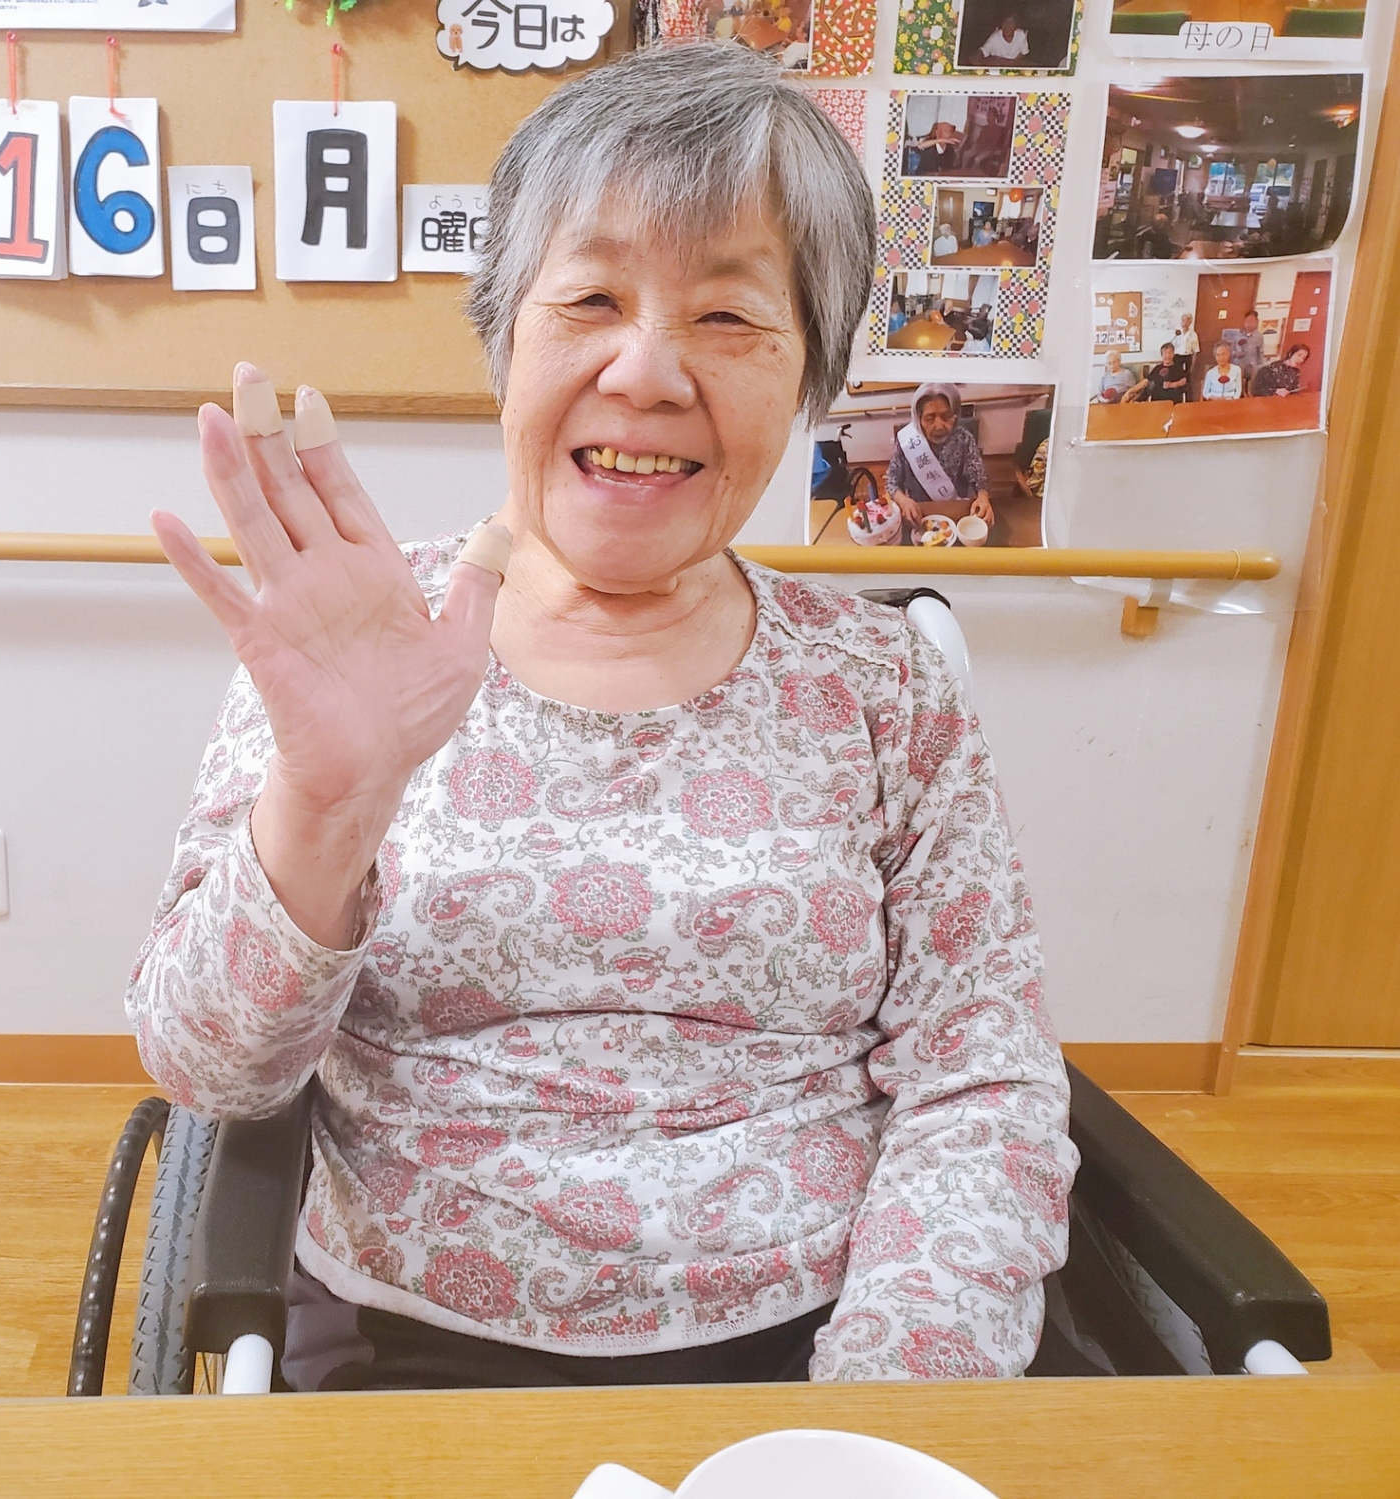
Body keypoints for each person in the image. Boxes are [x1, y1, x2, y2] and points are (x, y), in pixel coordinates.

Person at [132, 44, 1074, 1391]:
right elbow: (208, 1067)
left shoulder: (885, 686)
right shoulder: (352, 640)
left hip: (814, 1344)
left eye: (728, 315)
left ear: (809, 374)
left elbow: (978, 1079)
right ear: (504, 336)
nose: (645, 371)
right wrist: (326, 804)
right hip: (408, 1350)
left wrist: (872, 1412)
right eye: (588, 297)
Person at [884, 383, 993, 535]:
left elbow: (979, 476)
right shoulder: (908, 442)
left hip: (956, 514)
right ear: (918, 419)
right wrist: (903, 500)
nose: (939, 426)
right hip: (919, 515)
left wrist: (983, 497)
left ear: (955, 415)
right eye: (930, 418)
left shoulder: (964, 438)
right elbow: (891, 482)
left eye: (946, 416)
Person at [1122, 343, 1188, 403]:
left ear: (1173, 354)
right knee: (1145, 389)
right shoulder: (1157, 368)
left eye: (1170, 353)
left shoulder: (1177, 367)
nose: (1167, 355)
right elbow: (1145, 381)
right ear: (1162, 355)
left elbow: (1184, 381)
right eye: (1165, 353)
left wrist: (1172, 384)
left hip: (1171, 400)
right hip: (1156, 401)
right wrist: (1130, 391)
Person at [1223, 310, 1264, 388]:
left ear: (1256, 322)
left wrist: (1259, 368)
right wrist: (1235, 354)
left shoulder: (1259, 337)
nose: (1249, 324)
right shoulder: (1238, 335)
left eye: (1252, 321)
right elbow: (1231, 350)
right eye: (1247, 321)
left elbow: (1260, 353)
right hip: (1237, 366)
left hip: (1251, 368)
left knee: (1248, 387)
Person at [1171, 312, 1200, 379]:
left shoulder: (1193, 334)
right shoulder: (1176, 332)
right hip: (1177, 357)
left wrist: (1193, 364)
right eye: (1183, 320)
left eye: (1187, 320)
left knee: (1187, 376)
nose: (1185, 322)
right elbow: (1170, 345)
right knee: (1176, 376)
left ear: (1190, 322)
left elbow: (1195, 351)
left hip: (1187, 357)